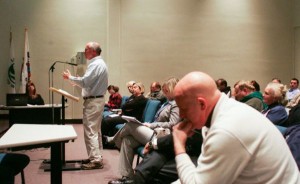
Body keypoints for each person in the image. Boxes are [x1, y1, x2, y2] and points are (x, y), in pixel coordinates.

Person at [171, 71, 299, 184]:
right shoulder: (225, 111)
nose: (181, 115)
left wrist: (179, 145)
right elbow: (202, 173)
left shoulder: (225, 129)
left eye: (183, 109)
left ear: (201, 104)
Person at [108, 77, 181, 184]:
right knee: (127, 140)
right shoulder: (167, 103)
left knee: (130, 125)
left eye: (166, 91)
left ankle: (113, 140)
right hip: (154, 131)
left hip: (161, 135)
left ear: (173, 90)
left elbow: (173, 124)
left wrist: (151, 125)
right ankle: (128, 177)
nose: (164, 94)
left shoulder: (176, 104)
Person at [62, 41, 108, 170]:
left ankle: (95, 160)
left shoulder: (95, 64)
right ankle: (97, 156)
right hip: (97, 100)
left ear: (93, 51)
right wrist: (77, 82)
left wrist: (70, 77)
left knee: (90, 132)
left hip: (93, 102)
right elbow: (90, 84)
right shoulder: (99, 63)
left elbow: (86, 82)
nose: (84, 51)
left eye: (86, 49)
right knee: (96, 131)